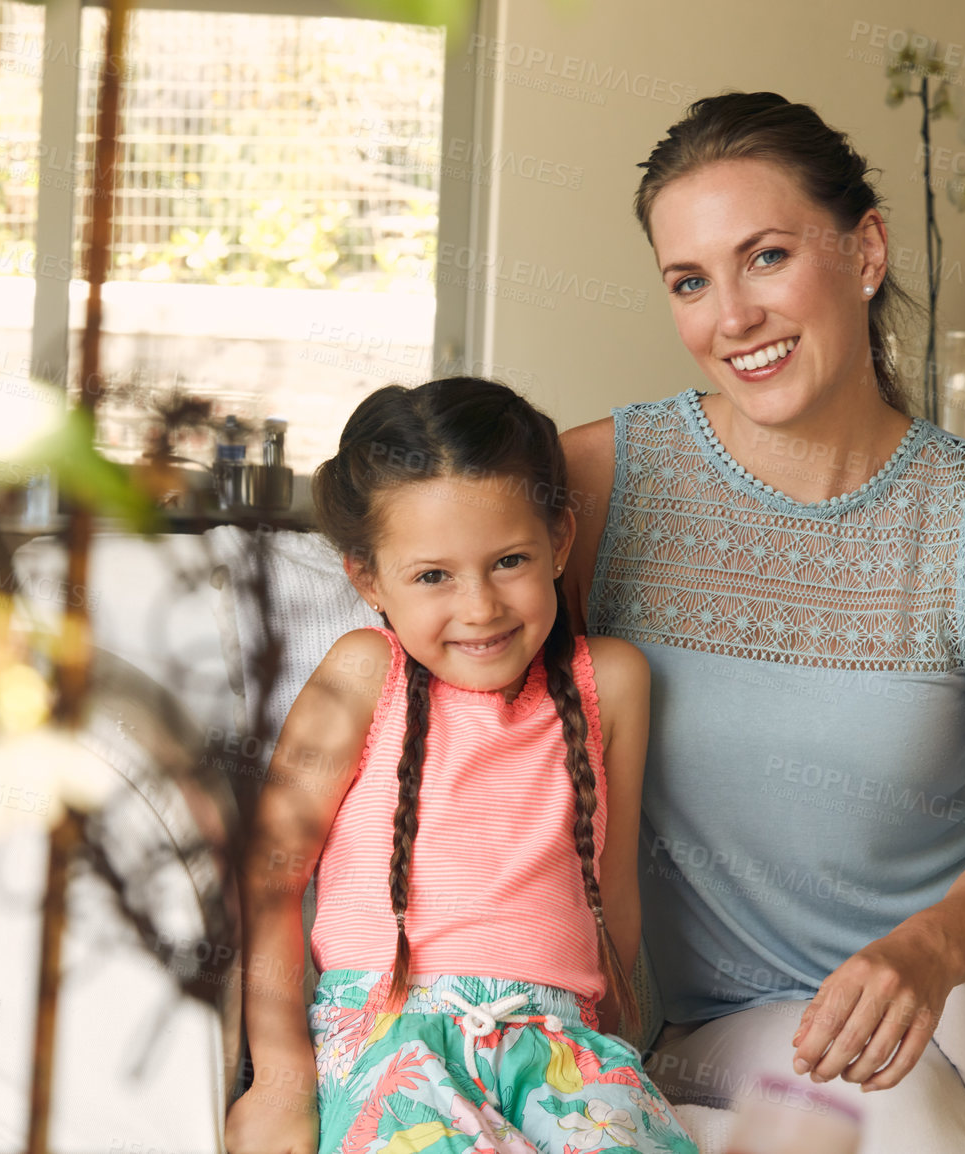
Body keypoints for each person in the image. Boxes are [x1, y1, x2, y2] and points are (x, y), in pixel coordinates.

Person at [557, 91, 965, 1151]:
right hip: (731, 1014)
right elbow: (426, 606)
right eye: (690, 280)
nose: (731, 315)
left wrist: (927, 951)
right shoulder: (592, 491)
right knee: (884, 1101)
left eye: (765, 256)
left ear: (864, 251)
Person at [224, 378, 700, 1154]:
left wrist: (618, 1053)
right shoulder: (361, 673)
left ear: (561, 543)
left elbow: (611, 894)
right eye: (433, 576)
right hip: (389, 1041)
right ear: (368, 578)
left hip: (561, 1048)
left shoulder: (611, 681)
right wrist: (280, 1078)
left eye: (509, 560)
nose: (480, 607)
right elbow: (268, 875)